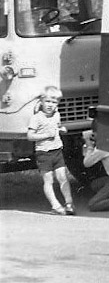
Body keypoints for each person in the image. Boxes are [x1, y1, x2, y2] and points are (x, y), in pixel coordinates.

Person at [27, 85, 75, 215]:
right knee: (49, 181)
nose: (50, 105)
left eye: (54, 102)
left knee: (63, 177)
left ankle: (69, 203)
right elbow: (30, 136)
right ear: (41, 101)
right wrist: (45, 135)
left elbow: (56, 127)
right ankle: (55, 205)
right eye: (47, 101)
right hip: (44, 153)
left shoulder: (56, 115)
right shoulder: (36, 118)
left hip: (57, 151)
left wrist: (61, 130)